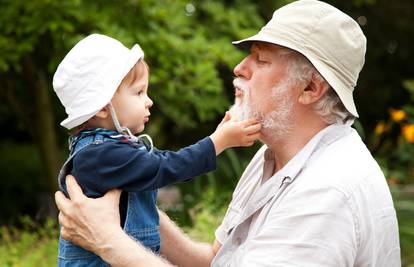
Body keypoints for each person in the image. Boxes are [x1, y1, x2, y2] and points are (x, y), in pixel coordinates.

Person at [55, 1, 401, 266]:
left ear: (310, 87)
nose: (239, 68)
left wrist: (108, 241)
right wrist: (131, 205)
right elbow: (215, 259)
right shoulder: (273, 159)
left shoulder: (328, 192)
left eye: (261, 60)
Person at [52, 34, 261, 266]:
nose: (149, 101)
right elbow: (167, 166)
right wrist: (218, 142)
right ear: (103, 107)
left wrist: (217, 138)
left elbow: (163, 161)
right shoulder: (101, 154)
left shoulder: (112, 149)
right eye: (139, 92)